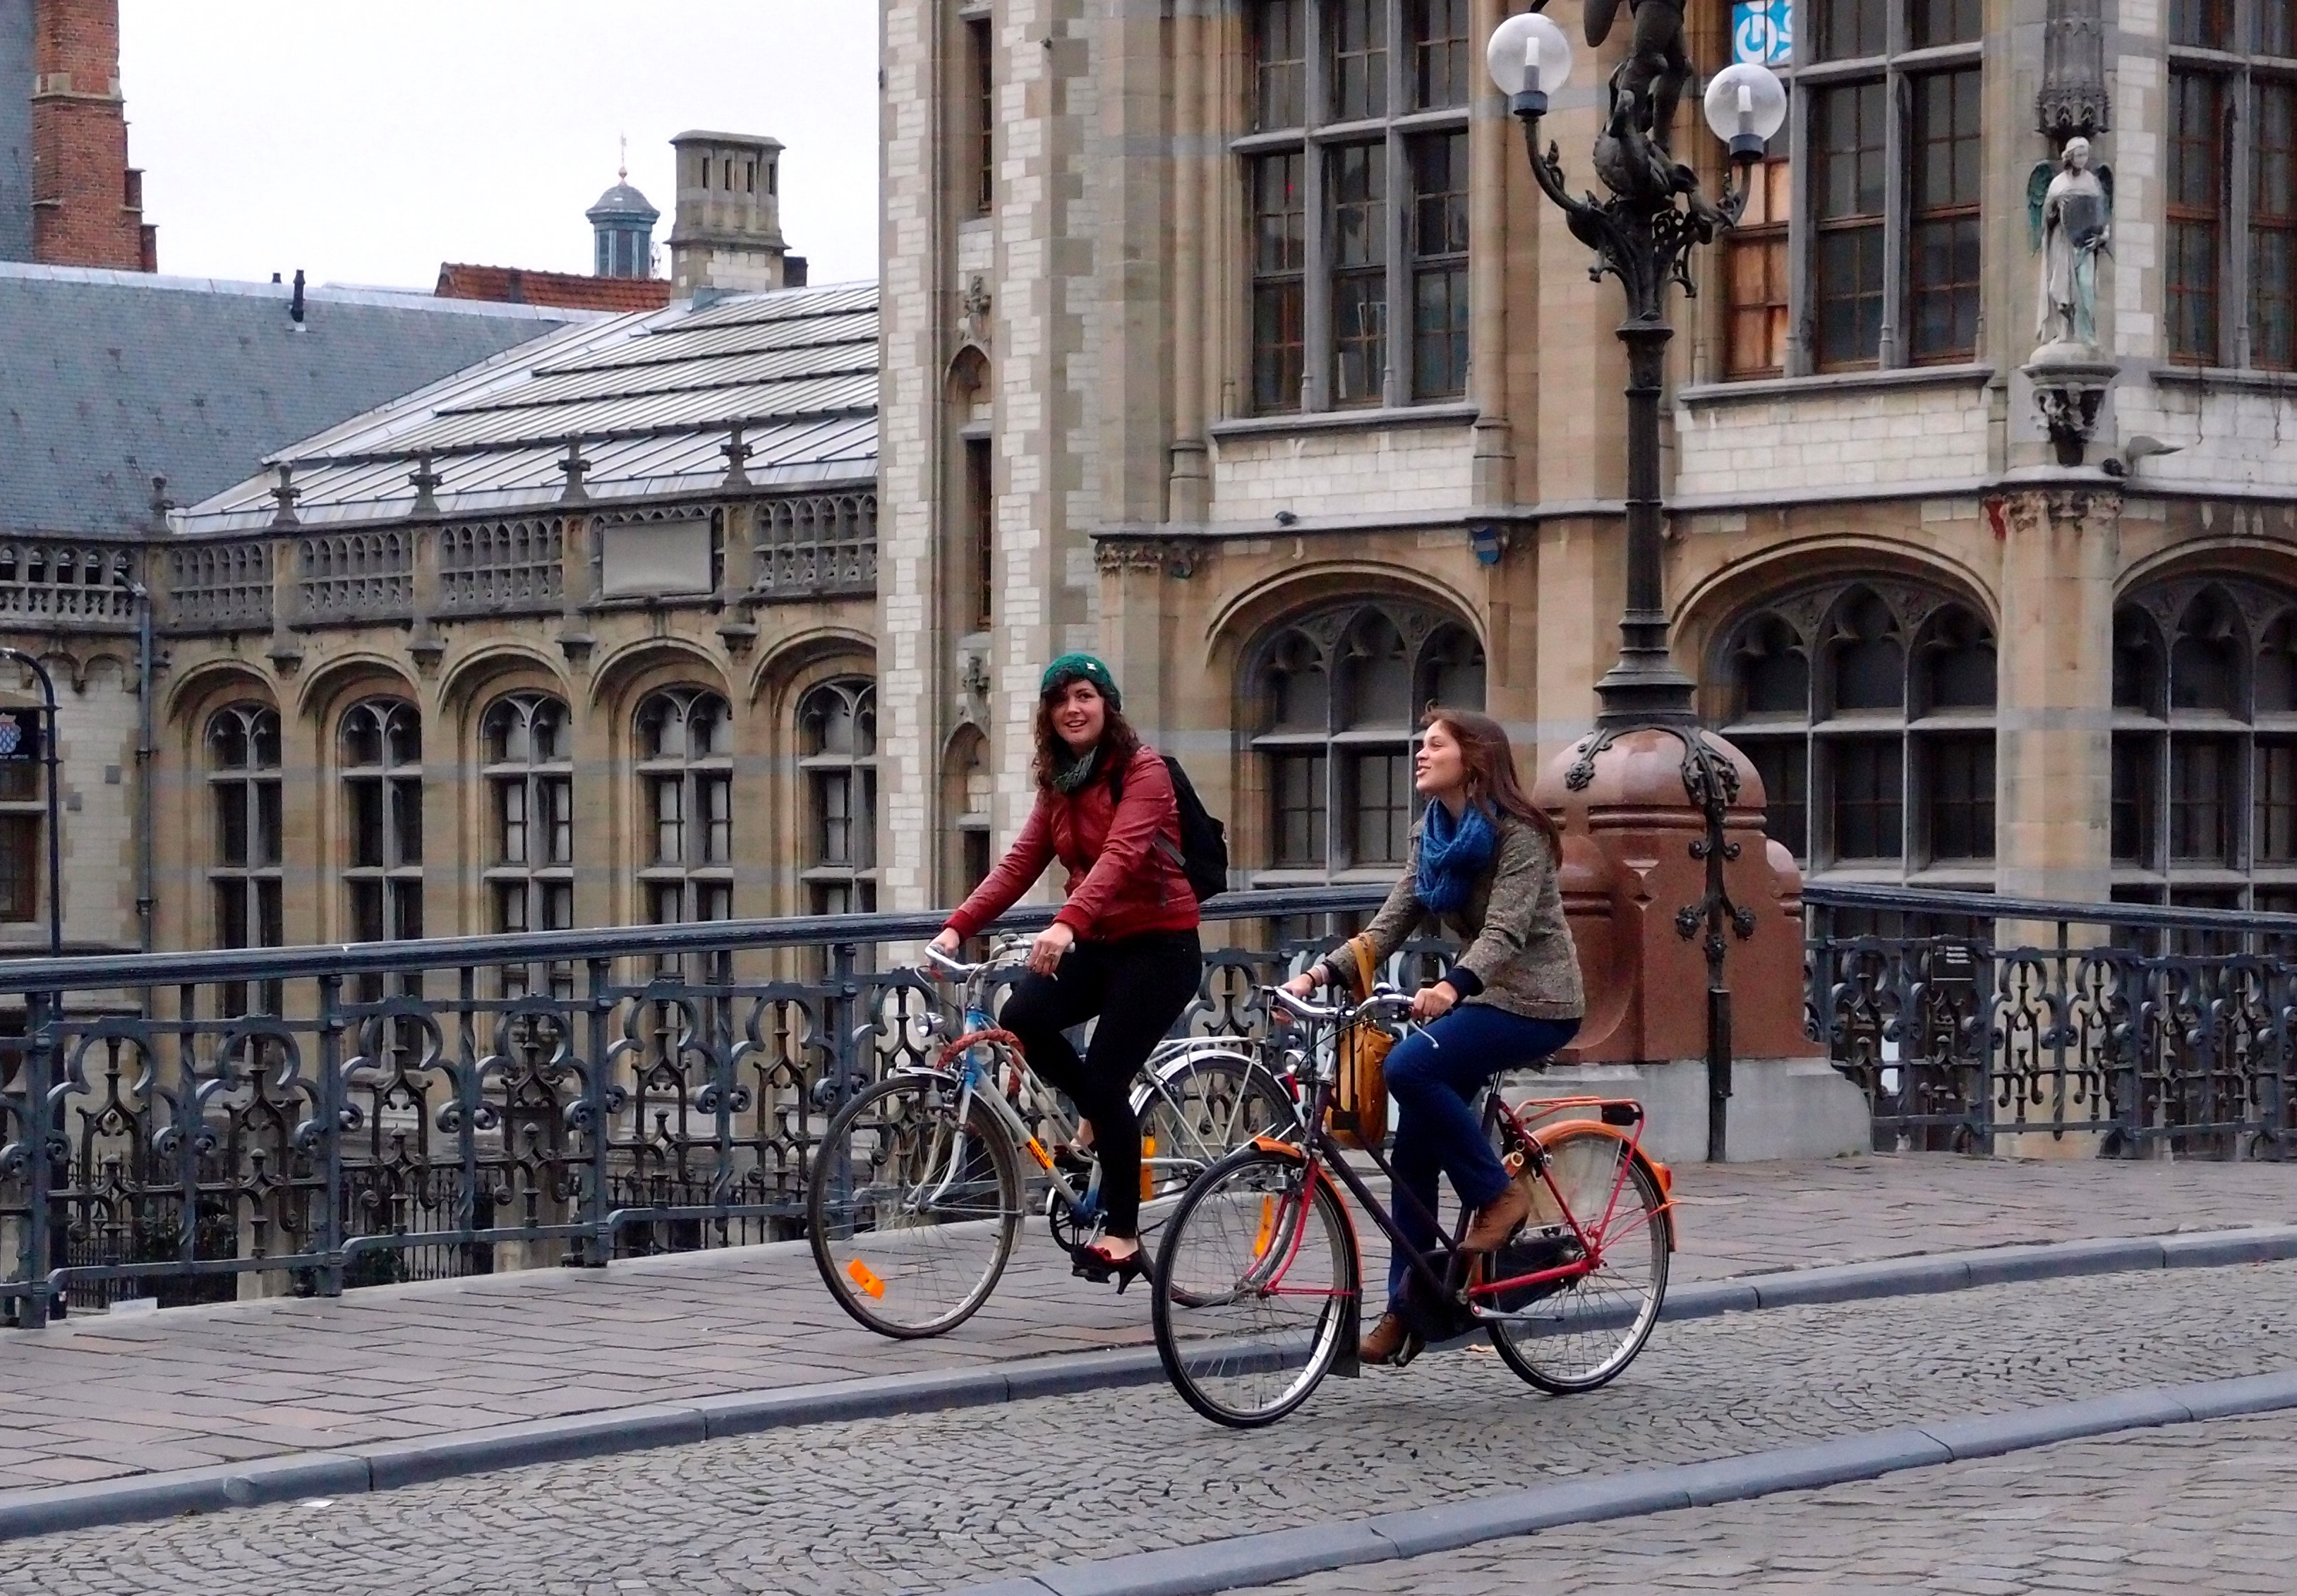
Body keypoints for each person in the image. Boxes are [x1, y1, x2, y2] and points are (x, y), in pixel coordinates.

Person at [1282, 707, 1585, 1365]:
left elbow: (1504, 933)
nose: (1419, 754)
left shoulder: (1520, 834)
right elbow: (1392, 920)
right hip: (1482, 998)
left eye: (1433, 745)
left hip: (1536, 1000)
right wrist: (1321, 974)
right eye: (1419, 743)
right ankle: (1407, 1310)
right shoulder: (1433, 833)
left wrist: (1451, 987)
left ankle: (1498, 1195)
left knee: (1408, 1070)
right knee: (1412, 1157)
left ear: (1473, 759)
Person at [927, 653, 1202, 1291]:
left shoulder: (1143, 771)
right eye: (1060, 700)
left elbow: (1120, 855)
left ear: (1107, 705)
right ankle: (1100, 1113)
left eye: (1085, 695)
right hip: (1100, 942)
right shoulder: (1061, 782)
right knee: (1022, 1017)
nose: (1073, 709)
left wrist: (1065, 923)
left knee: (1106, 1077)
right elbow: (1021, 861)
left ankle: (1124, 1234)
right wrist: (957, 926)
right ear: (1048, 716)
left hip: (1160, 948)